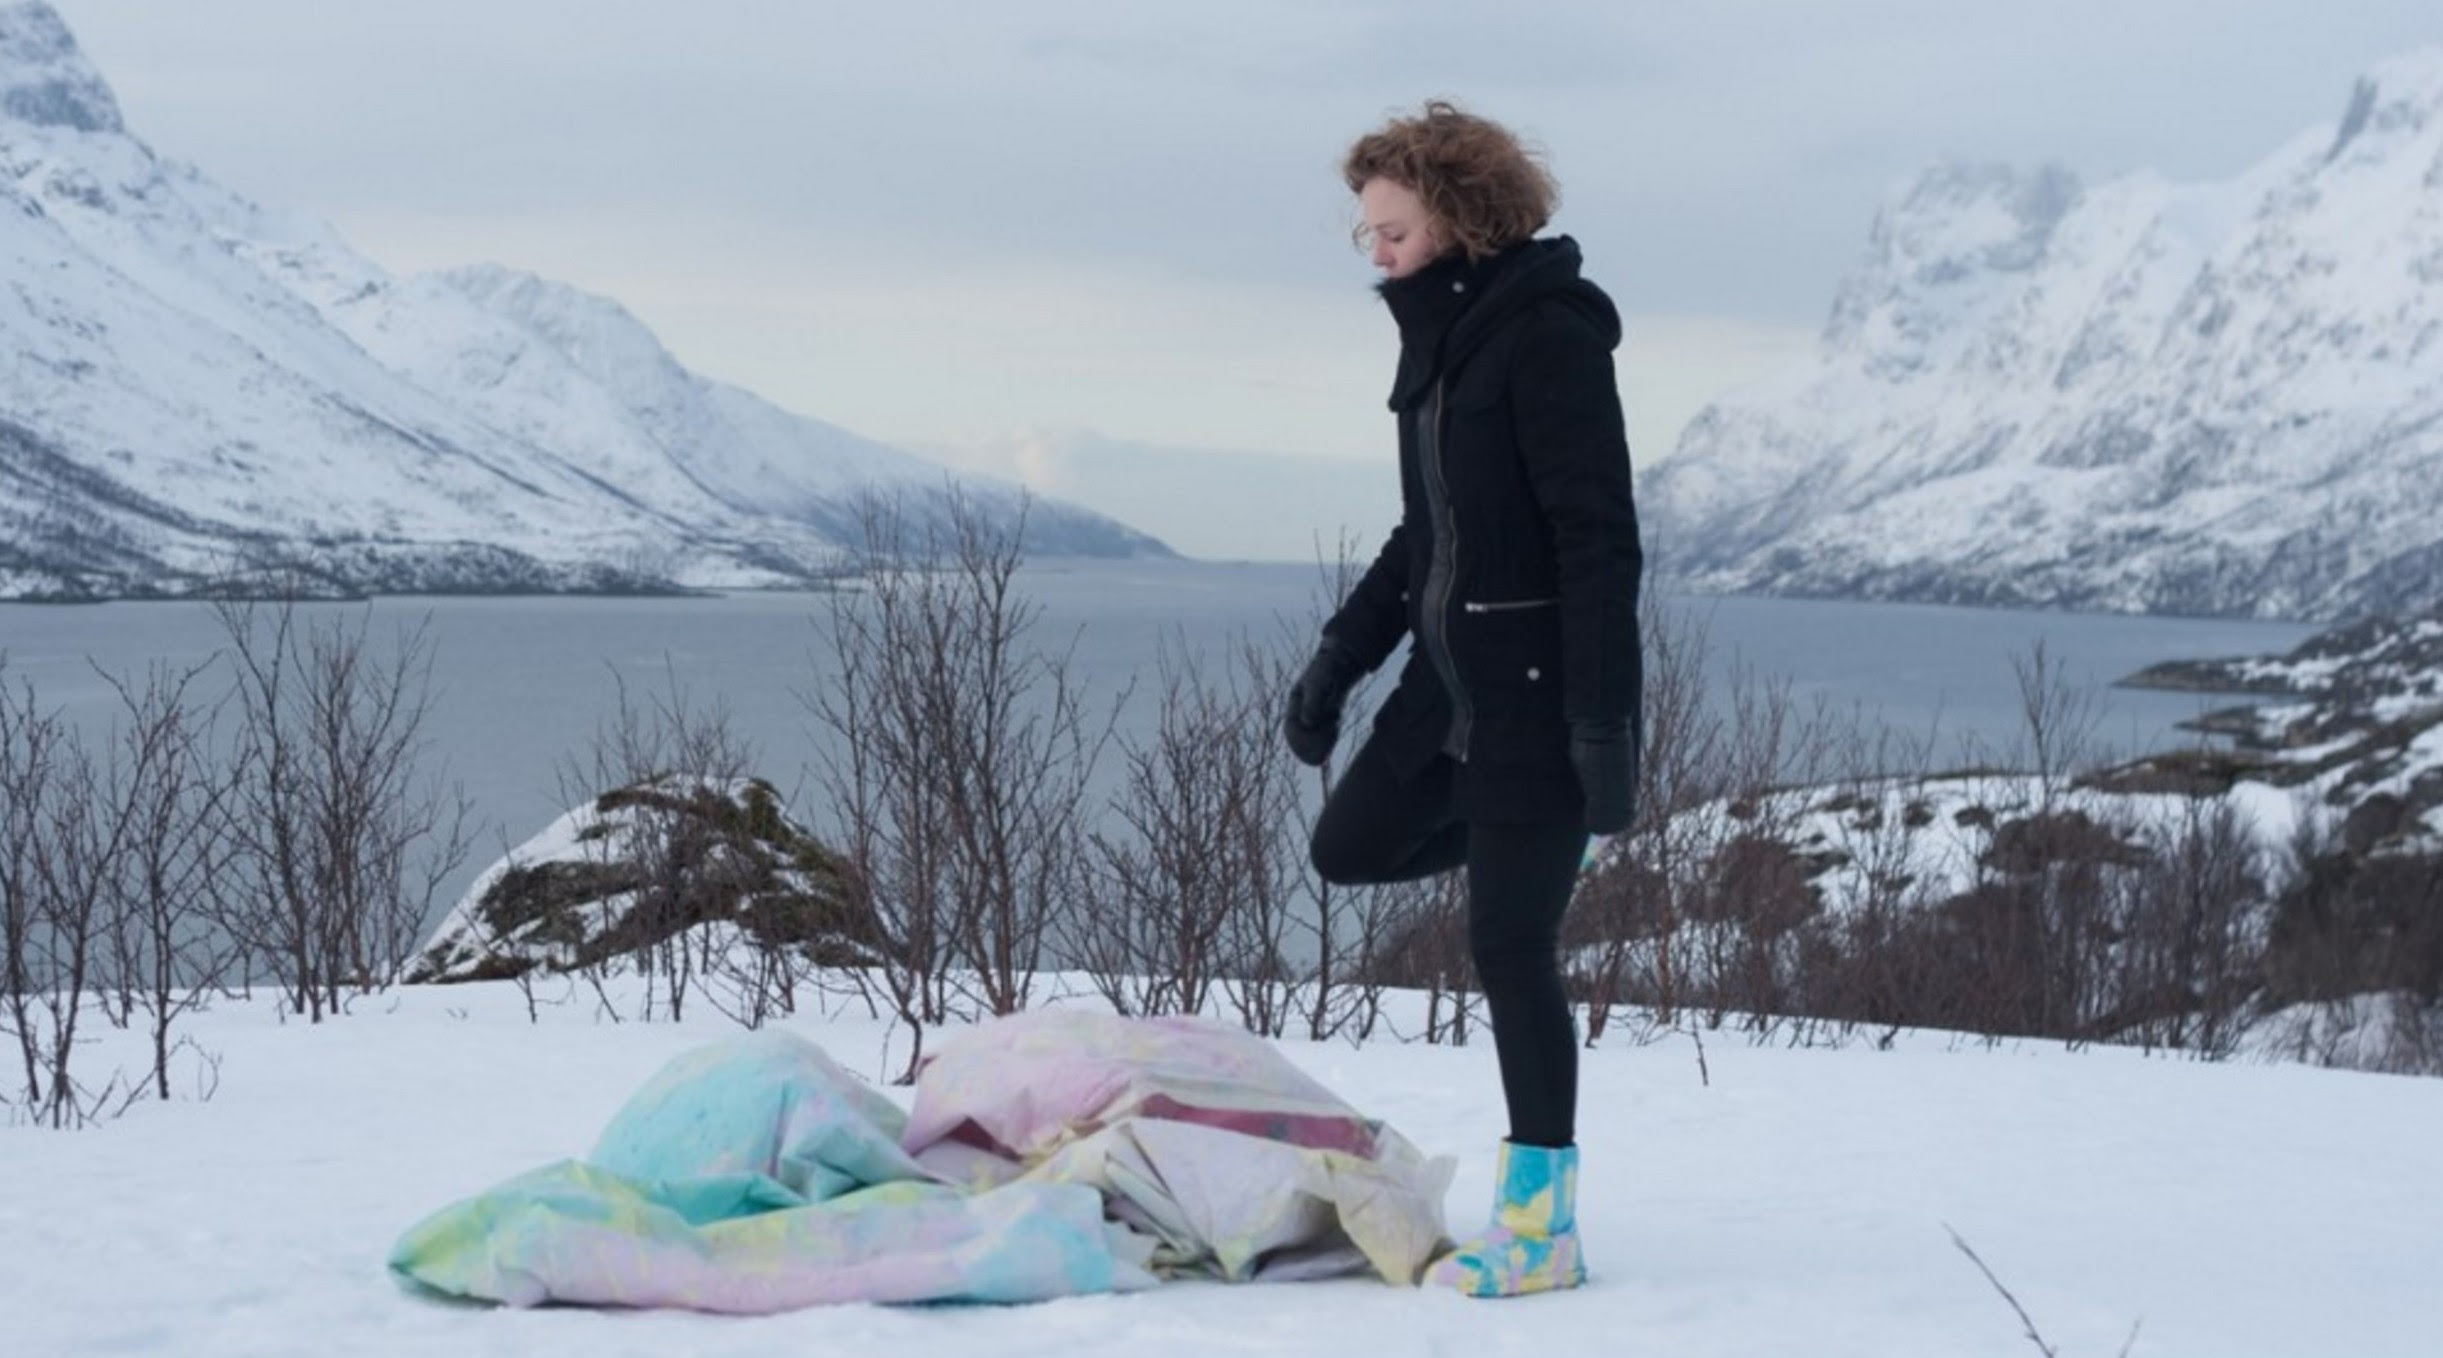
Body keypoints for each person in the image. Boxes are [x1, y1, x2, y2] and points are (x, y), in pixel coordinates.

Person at [1283, 100, 1641, 1298]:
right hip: (1445, 698)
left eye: (1390, 229)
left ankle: (1542, 1229)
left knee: (1508, 946)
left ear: (1459, 216)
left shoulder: (1548, 339)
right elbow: (1422, 537)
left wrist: (1601, 723)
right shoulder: (1437, 342)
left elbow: (1598, 541)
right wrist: (1339, 660)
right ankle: (1531, 841)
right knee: (1347, 847)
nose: (1375, 251)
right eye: (1368, 233)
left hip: (1539, 702)